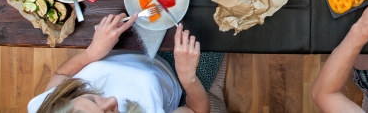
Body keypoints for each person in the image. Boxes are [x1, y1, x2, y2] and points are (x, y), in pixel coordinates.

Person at [28, 13, 224, 113]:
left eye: (91, 99)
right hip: (175, 72)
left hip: (126, 49)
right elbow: (195, 111)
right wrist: (188, 77)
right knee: (216, 27)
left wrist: (90, 53)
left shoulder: (43, 108)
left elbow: (61, 76)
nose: (112, 100)